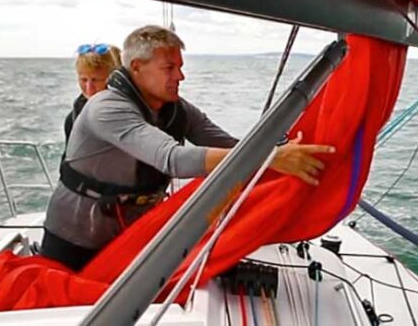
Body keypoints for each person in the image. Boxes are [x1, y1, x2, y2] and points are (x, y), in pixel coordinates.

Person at [41, 25, 335, 270]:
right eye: (169, 68)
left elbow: (234, 146)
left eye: (180, 67)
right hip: (75, 235)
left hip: (134, 231)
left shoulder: (176, 111)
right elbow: (174, 159)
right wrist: (270, 158)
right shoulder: (105, 108)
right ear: (137, 68)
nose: (180, 76)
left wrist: (284, 146)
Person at [63, 43, 122, 142]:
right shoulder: (73, 118)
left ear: (113, 79)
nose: (89, 88)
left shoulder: (130, 112)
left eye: (96, 80)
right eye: (83, 80)